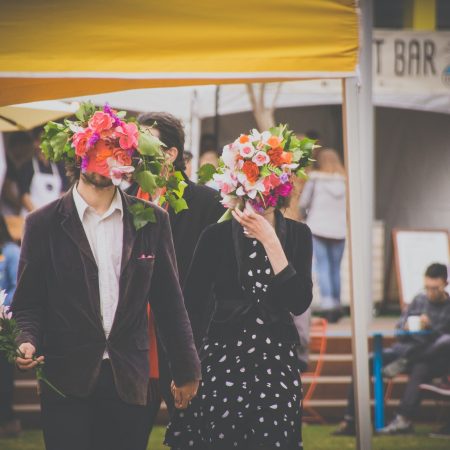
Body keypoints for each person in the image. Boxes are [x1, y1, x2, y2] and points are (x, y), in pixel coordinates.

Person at [11, 141, 201, 449]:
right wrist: (26, 340)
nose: (108, 160)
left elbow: (170, 302)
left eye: (118, 153)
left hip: (128, 376)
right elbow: (28, 303)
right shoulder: (42, 223)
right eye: (99, 152)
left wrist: (187, 367)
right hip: (65, 378)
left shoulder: (151, 219)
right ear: (79, 155)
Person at [165, 123, 314, 449]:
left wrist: (271, 242)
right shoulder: (215, 236)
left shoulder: (298, 236)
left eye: (269, 180)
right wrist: (186, 368)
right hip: (223, 360)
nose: (261, 189)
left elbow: (299, 301)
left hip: (276, 362)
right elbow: (190, 306)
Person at [133, 112, 223, 439]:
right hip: (132, 350)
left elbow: (216, 285)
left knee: (193, 441)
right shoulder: (124, 199)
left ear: (171, 153)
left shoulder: (208, 204)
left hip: (184, 348)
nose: (135, 148)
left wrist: (195, 358)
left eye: (145, 141)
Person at [333, 263, 450, 436]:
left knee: (429, 357)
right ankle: (351, 420)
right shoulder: (419, 300)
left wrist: (430, 327)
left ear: (445, 284)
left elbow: (444, 341)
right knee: (364, 363)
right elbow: (399, 331)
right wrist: (407, 327)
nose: (430, 293)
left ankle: (402, 421)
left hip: (432, 358)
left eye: (435, 288)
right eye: (427, 288)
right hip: (404, 350)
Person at [299, 148, 346, 322]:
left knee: (322, 266)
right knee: (335, 268)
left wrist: (303, 215)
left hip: (318, 227)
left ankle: (327, 305)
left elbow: (304, 202)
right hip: (340, 229)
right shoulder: (345, 181)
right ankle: (337, 303)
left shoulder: (315, 178)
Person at [0, 214, 21, 438]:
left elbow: (18, 286)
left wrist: (3, 309)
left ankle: (7, 419)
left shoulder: (11, 252)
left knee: (3, 376)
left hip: (3, 325)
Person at [17, 128, 69, 214]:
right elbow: (24, 196)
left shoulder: (59, 168)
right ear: (36, 143)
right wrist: (38, 216)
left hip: (52, 219)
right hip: (30, 218)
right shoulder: (27, 167)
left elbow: (63, 194)